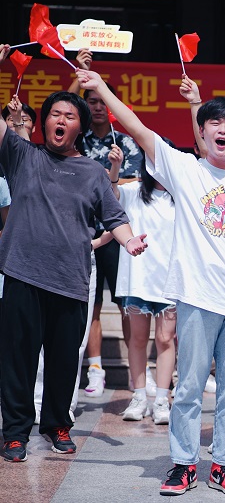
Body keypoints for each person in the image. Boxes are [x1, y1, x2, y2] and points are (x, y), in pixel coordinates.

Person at [77, 68, 225, 497]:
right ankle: (184, 463)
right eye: (214, 123)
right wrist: (100, 88)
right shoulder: (185, 171)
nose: (223, 129)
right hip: (196, 297)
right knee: (189, 387)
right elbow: (137, 126)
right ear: (203, 131)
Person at [0, 56, 147, 463]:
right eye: (54, 114)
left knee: (65, 361)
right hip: (22, 275)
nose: (60, 120)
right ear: (44, 122)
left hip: (70, 279)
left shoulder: (92, 172)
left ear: (80, 126)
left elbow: (115, 217)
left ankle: (56, 426)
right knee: (18, 359)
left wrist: (130, 243)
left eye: (69, 115)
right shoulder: (21, 155)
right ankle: (14, 433)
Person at [68, 49, 144, 399]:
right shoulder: (76, 141)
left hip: (118, 234)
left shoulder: (124, 142)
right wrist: (80, 73)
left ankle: (134, 370)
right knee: (91, 304)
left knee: (126, 303)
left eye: (102, 101)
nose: (97, 107)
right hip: (83, 232)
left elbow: (136, 184)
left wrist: (110, 176)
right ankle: (95, 367)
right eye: (92, 101)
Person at [110, 151, 177, 426]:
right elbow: (110, 196)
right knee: (137, 339)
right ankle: (139, 397)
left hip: (171, 280)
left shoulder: (182, 195)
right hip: (138, 277)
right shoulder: (133, 191)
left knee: (165, 339)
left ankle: (162, 399)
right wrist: (115, 168)